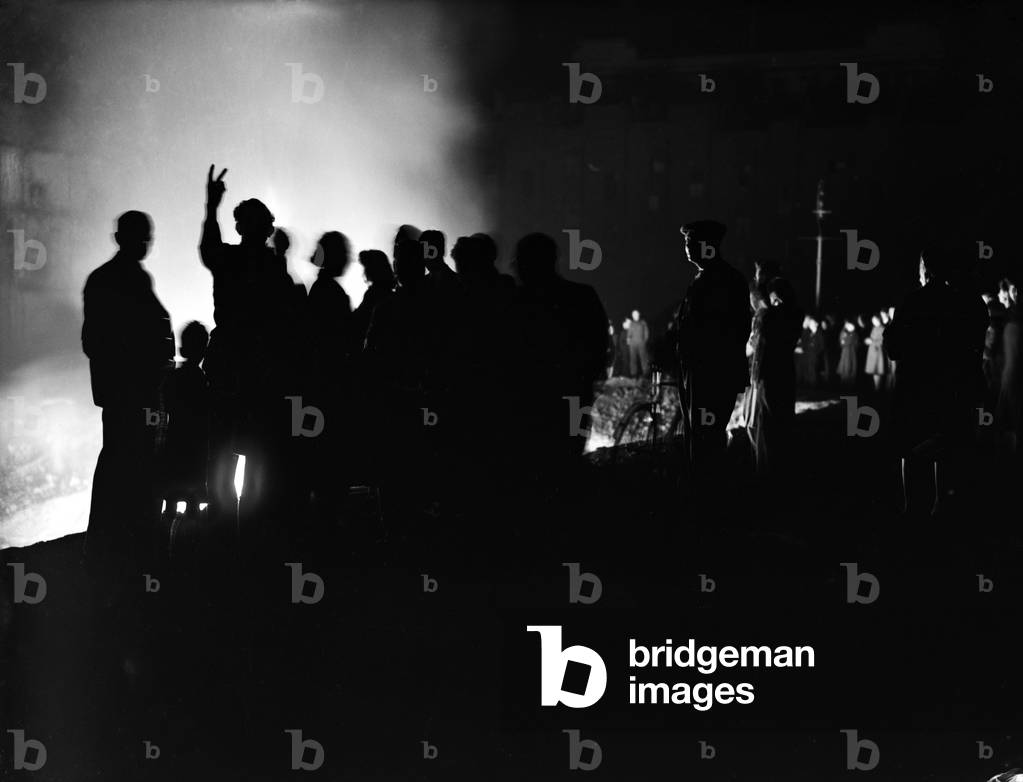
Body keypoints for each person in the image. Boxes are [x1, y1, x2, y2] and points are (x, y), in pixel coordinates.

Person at [199, 165, 305, 540]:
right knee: (256, 451)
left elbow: (208, 249)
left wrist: (211, 207)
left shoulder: (230, 261)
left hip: (232, 364)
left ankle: (225, 528)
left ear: (241, 227)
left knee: (225, 451)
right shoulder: (273, 268)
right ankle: (253, 529)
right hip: (260, 369)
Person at [82, 210, 175, 570]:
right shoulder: (132, 280)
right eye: (143, 237)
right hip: (134, 391)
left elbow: (92, 341)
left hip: (121, 392)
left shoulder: (103, 279)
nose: (146, 244)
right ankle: (126, 546)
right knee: (132, 463)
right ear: (128, 239)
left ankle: (108, 544)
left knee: (117, 463)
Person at [884, 247, 988, 516]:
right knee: (943, 445)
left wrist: (890, 333)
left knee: (910, 445)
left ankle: (911, 509)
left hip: (915, 387)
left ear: (925, 270)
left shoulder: (912, 301)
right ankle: (941, 505)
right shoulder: (961, 301)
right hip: (947, 388)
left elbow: (894, 349)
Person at [510, 232, 609, 486]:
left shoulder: (516, 303)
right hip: (574, 400)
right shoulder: (583, 296)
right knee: (568, 467)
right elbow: (599, 349)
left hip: (529, 406)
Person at [675, 220, 751, 484]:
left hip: (708, 373)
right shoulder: (723, 278)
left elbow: (707, 329)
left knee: (704, 437)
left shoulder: (714, 280)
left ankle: (706, 499)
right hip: (711, 371)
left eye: (690, 242)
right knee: (706, 435)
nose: (686, 247)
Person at [748, 277, 803, 487]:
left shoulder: (771, 317)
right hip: (783, 375)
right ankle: (777, 475)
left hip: (768, 376)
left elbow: (757, 342)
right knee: (779, 425)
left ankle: (766, 477)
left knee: (766, 427)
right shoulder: (793, 314)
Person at [159, 321, 210, 520]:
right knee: (193, 501)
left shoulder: (172, 378)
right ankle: (190, 542)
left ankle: (167, 539)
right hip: (195, 449)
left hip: (174, 444)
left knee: (171, 499)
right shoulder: (201, 380)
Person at [864, 313, 888, 392]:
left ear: (879, 319)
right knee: (874, 371)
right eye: (873, 320)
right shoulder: (874, 328)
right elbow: (872, 338)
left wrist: (872, 341)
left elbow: (883, 341)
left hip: (878, 352)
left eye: (875, 320)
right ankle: (876, 387)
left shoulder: (882, 328)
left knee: (878, 370)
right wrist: (868, 341)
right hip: (872, 352)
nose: (873, 321)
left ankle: (878, 388)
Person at [625, 309, 651, 377]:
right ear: (632, 316)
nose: (635, 316)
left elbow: (646, 332)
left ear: (638, 315)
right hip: (632, 344)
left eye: (636, 314)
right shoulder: (631, 323)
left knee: (643, 358)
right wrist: (628, 340)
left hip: (641, 342)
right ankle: (633, 373)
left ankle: (645, 372)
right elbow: (629, 333)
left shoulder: (643, 322)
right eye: (634, 315)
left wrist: (645, 340)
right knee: (633, 359)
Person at [836, 320, 860, 387]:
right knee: (845, 368)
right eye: (847, 325)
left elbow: (856, 343)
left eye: (850, 325)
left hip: (852, 353)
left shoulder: (854, 334)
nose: (849, 326)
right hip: (845, 353)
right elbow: (842, 343)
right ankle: (844, 384)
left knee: (851, 367)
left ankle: (850, 384)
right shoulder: (843, 333)